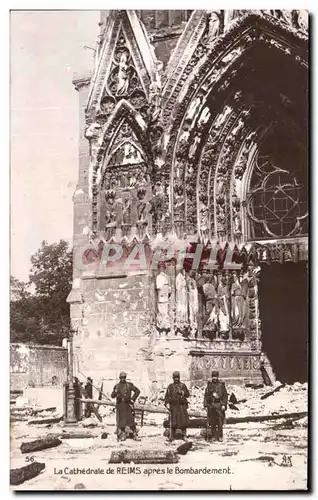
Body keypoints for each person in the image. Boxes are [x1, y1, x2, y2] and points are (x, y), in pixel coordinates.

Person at [111, 372, 141, 441]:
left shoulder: (129, 385)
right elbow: (112, 396)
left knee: (131, 421)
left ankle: (134, 434)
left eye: (124, 377)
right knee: (121, 422)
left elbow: (137, 391)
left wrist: (133, 399)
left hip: (127, 405)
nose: (123, 379)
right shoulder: (117, 386)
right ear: (119, 378)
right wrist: (115, 392)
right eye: (121, 377)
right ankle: (123, 435)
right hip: (120, 405)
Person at [164, 371, 190, 441]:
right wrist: (167, 403)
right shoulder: (170, 386)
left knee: (183, 422)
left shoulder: (183, 385)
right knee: (173, 421)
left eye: (177, 377)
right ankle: (172, 436)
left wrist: (182, 392)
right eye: (175, 378)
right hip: (174, 406)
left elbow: (188, 394)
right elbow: (167, 396)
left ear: (179, 378)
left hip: (181, 406)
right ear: (173, 378)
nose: (176, 379)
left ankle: (184, 435)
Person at [204, 370, 228, 442]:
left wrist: (223, 404)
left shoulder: (221, 385)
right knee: (213, 422)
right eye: (213, 376)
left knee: (220, 422)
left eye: (216, 376)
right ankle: (213, 436)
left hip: (219, 405)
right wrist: (205, 405)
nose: (214, 378)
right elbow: (206, 396)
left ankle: (220, 436)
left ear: (218, 377)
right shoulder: (209, 385)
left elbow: (225, 396)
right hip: (211, 405)